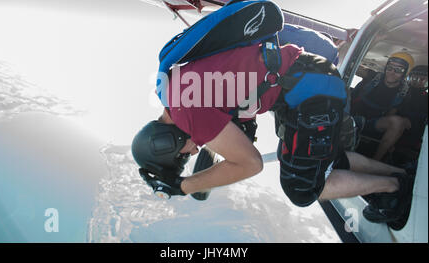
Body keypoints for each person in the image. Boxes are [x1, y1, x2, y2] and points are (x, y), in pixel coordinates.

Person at [132, 40, 412, 224]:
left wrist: (183, 186)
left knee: (301, 189)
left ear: (166, 142)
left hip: (309, 88)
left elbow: (250, 164)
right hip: (306, 79)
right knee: (319, 161)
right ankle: (398, 174)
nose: (193, 151)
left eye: (183, 155)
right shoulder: (177, 94)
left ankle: (393, 191)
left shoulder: (187, 113)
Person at [351, 51, 415, 161]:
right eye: (390, 68)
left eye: (398, 70)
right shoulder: (373, 77)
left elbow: (392, 116)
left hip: (373, 124)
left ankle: (375, 161)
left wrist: (394, 137)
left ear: (405, 73)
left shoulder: (404, 93)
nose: (392, 72)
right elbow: (353, 66)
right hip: (352, 118)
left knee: (398, 122)